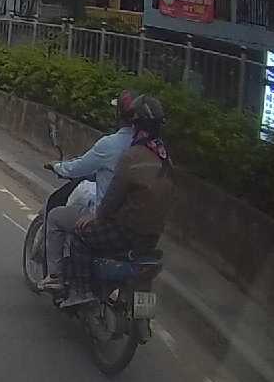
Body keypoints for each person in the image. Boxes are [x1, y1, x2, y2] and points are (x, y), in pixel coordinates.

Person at [57, 95, 173, 308]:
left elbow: (113, 196)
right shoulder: (164, 157)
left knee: (78, 234)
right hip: (152, 237)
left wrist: (96, 216)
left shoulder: (131, 156)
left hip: (125, 232)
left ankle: (81, 291)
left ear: (134, 124)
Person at [37, 89, 139, 293]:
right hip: (142, 226)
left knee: (56, 217)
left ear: (118, 115)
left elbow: (78, 168)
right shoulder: (153, 149)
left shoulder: (110, 144)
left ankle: (57, 277)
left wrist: (57, 167)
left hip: (110, 222)